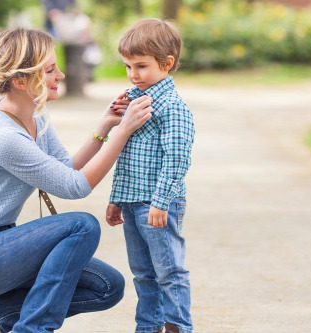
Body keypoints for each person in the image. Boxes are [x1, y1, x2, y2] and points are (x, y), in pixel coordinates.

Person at [0, 27, 154, 333]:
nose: (61, 76)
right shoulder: (1, 135)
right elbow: (75, 187)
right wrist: (123, 132)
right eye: (50, 70)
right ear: (21, 80)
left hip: (0, 243)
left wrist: (104, 129)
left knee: (107, 287)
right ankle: (32, 329)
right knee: (82, 225)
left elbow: (65, 169)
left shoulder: (35, 117)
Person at [105, 18, 195, 333]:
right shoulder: (134, 102)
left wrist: (161, 202)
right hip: (132, 203)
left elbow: (177, 159)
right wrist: (117, 199)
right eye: (128, 66)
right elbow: (126, 156)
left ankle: (177, 327)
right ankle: (148, 327)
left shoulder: (173, 108)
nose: (133, 74)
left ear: (166, 64)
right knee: (143, 272)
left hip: (158, 205)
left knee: (169, 271)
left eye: (141, 66)